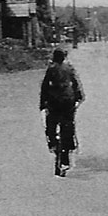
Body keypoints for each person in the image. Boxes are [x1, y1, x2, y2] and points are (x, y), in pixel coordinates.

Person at [40, 48, 85, 177]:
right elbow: (76, 84)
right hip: (67, 101)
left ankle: (53, 143)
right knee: (68, 124)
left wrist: (43, 103)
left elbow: (44, 86)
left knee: (51, 125)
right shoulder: (69, 68)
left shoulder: (51, 69)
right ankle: (69, 145)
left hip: (54, 102)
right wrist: (79, 96)